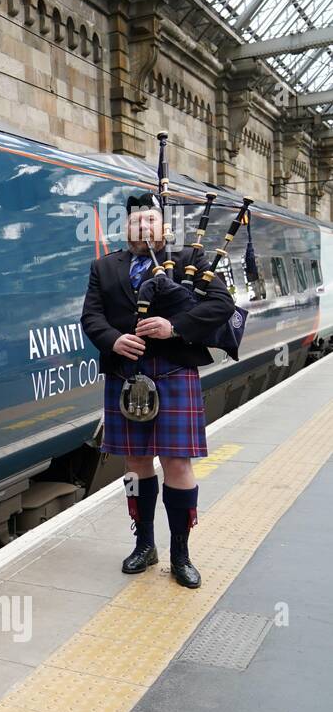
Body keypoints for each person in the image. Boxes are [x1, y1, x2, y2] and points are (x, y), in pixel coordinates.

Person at [80, 192, 235, 589]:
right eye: (136, 223)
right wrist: (113, 340)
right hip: (126, 374)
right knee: (135, 464)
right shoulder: (104, 267)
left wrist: (175, 327)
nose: (143, 229)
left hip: (173, 370)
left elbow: (222, 305)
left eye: (151, 222)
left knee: (178, 464)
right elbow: (91, 316)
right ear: (126, 228)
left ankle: (180, 554)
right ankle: (144, 544)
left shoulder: (190, 261)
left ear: (164, 228)